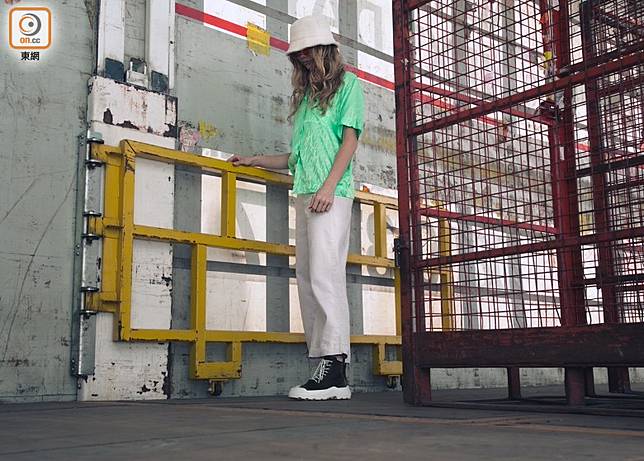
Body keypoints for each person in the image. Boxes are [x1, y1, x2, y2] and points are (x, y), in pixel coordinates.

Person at [228, 15, 364, 400]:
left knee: (325, 275)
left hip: (331, 194)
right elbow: (295, 157)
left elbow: (349, 142)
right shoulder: (306, 100)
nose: (302, 57)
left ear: (324, 49)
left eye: (307, 50)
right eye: (297, 53)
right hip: (306, 192)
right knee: (306, 277)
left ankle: (335, 368)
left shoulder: (349, 85)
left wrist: (328, 187)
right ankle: (324, 365)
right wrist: (254, 160)